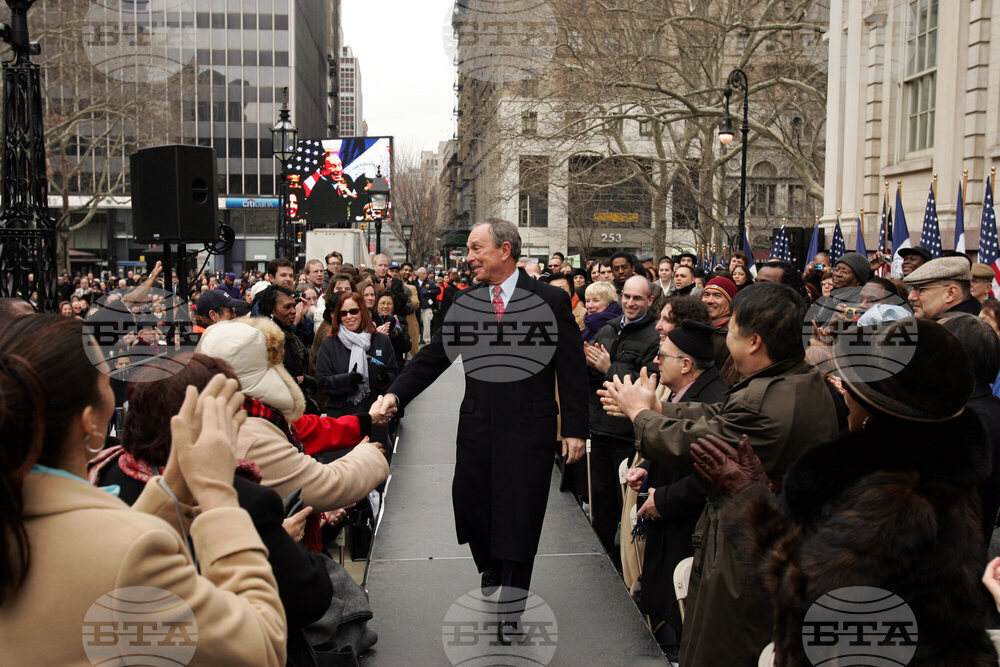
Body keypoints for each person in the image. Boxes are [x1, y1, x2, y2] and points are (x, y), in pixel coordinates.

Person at [701, 317, 997, 665]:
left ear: (877, 411)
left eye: (851, 385)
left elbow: (805, 590)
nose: (842, 389)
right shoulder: (935, 466)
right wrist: (768, 495)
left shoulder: (898, 495)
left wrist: (748, 501)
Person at [0, 316, 287, 665]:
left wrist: (173, 486)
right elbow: (261, 648)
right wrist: (217, 493)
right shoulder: (133, 552)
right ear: (91, 420)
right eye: (109, 381)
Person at [602, 282, 841, 667]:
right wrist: (656, 410)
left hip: (747, 551)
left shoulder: (767, 398)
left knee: (722, 648)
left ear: (753, 342)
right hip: (768, 538)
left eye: (730, 331)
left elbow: (703, 442)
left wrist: (640, 415)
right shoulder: (795, 380)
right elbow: (717, 417)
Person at [369, 219, 588, 636]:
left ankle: (513, 601)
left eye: (475, 248)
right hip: (477, 427)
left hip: (530, 431)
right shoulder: (467, 303)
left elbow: (571, 368)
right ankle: (489, 565)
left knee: (521, 515)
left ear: (504, 250)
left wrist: (574, 428)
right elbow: (434, 356)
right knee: (472, 507)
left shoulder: (549, 301)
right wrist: (396, 396)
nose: (468, 257)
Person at [89, 353, 333, 665]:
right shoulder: (243, 500)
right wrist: (255, 535)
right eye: (233, 412)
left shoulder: (101, 477)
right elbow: (304, 601)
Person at [197, 317, 389, 514]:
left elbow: (311, 427)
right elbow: (324, 485)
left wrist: (367, 419)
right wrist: (367, 454)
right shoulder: (254, 430)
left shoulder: (223, 415)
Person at [625, 319, 726, 652]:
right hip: (669, 518)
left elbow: (710, 470)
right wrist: (650, 471)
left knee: (681, 619)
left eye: (663, 355)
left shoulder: (713, 396)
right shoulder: (687, 392)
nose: (656, 360)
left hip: (686, 525)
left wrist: (664, 498)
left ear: (686, 364)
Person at [585, 275, 659, 563]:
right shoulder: (608, 329)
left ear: (649, 301)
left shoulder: (654, 337)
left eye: (637, 298)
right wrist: (590, 365)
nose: (630, 302)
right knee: (601, 500)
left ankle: (626, 563)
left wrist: (607, 367)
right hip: (600, 427)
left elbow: (648, 385)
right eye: (626, 296)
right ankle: (603, 557)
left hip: (628, 433)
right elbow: (593, 380)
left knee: (624, 501)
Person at [315, 291, 399, 450]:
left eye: (353, 311)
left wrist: (384, 379)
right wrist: (346, 380)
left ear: (362, 311)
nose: (349, 317)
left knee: (375, 470)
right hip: (342, 420)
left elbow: (395, 374)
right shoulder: (330, 344)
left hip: (373, 418)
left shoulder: (380, 340)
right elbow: (322, 382)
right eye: (343, 313)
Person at [905, 256, 981, 318]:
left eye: (920, 289)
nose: (911, 297)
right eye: (913, 288)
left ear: (951, 293)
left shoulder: (956, 332)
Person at [701, 276, 740, 386]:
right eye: (706, 294)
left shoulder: (734, 334)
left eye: (717, 295)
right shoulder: (697, 325)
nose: (709, 301)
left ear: (730, 301)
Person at [373, 290, 410, 368]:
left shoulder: (399, 321)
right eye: (382, 303)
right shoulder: (371, 320)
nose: (386, 306)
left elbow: (406, 347)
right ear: (376, 305)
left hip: (395, 364)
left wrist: (396, 332)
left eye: (389, 303)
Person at [416, 267, 441, 343]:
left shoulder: (430, 282)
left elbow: (438, 290)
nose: (425, 275)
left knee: (427, 323)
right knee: (416, 324)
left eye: (425, 273)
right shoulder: (415, 282)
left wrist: (429, 291)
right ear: (419, 274)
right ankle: (417, 339)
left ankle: (426, 339)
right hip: (416, 307)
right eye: (423, 273)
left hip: (427, 307)